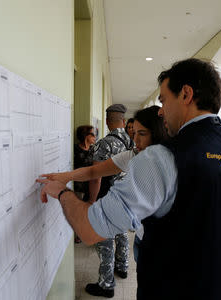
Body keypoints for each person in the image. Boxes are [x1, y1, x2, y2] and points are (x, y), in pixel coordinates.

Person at [38, 58, 221, 299]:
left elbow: (89, 229)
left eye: (164, 100)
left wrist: (62, 192)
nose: (160, 110)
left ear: (186, 94)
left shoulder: (162, 158)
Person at [42, 105, 168, 261]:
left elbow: (88, 233)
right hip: (141, 234)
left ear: (159, 133)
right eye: (134, 133)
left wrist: (62, 192)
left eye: (142, 134)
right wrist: (65, 176)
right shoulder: (135, 154)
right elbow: (94, 171)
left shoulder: (160, 168)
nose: (135, 140)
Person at [87, 103, 133, 297]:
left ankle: (106, 285)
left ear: (107, 121)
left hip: (107, 199)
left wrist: (91, 201)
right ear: (123, 121)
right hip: (126, 197)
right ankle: (122, 267)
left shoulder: (103, 144)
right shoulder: (133, 140)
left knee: (105, 240)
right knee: (121, 231)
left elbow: (96, 176)